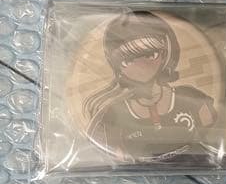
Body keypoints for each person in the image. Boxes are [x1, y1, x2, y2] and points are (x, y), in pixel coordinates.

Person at [84, 11, 215, 158]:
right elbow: (113, 155)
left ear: (166, 54)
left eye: (150, 55)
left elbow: (213, 137)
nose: (141, 66)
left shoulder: (192, 99)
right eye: (127, 60)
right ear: (115, 64)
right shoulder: (113, 115)